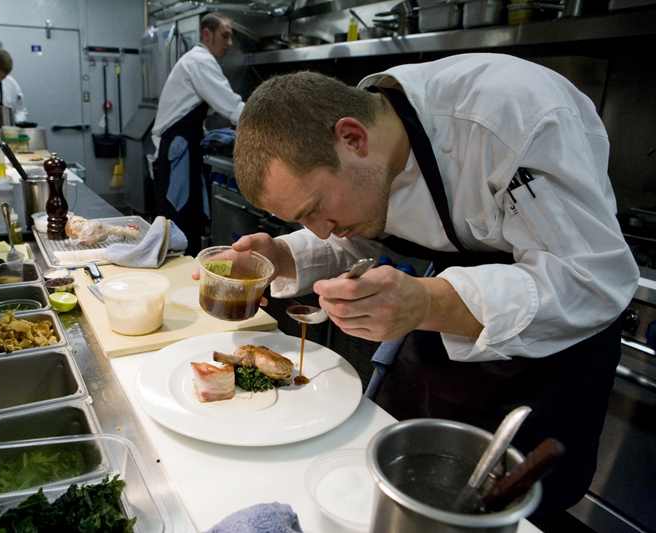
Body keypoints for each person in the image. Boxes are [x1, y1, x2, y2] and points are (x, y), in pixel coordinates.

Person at [228, 54, 639, 519]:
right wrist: (281, 255)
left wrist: (426, 302)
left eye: (314, 208)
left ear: (352, 137)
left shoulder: (514, 116)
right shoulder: (376, 149)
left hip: (548, 362)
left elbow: (590, 280)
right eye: (302, 221)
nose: (319, 230)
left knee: (508, 514)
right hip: (445, 358)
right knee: (404, 486)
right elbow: (364, 234)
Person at [151, 12, 245, 256]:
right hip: (178, 153)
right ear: (207, 34)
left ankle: (182, 281)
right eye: (225, 36)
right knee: (179, 225)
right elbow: (232, 106)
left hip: (179, 150)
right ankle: (181, 284)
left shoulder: (197, 60)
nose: (229, 43)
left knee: (181, 223)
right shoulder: (200, 61)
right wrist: (271, 127)